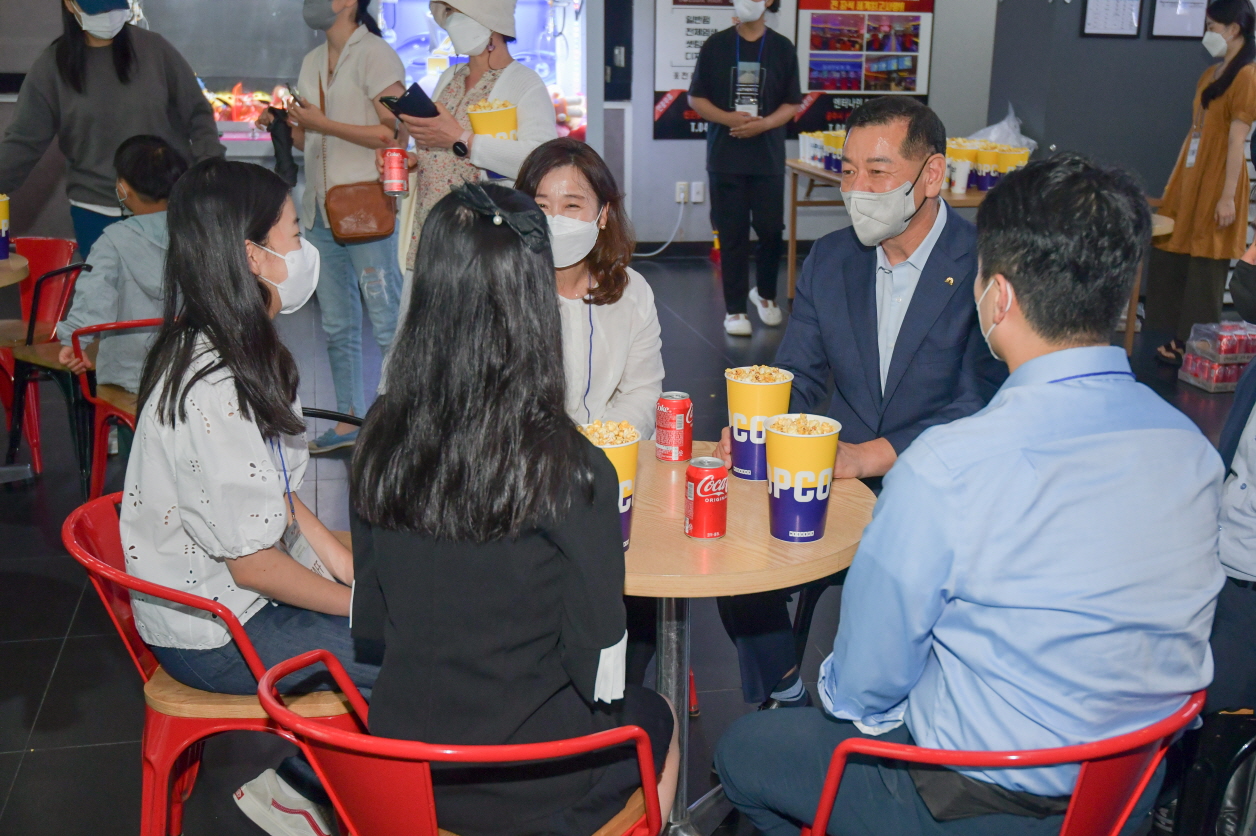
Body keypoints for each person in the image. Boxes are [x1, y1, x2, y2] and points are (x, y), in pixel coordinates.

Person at [714, 152, 1225, 836]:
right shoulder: (1192, 452)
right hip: (1126, 795)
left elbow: (862, 691)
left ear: (999, 297)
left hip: (971, 803)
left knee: (744, 753)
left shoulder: (948, 467)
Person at [349, 183, 679, 836]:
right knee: (657, 713)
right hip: (532, 782)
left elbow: (373, 618)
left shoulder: (379, 431)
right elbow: (599, 659)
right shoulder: (571, 465)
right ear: (533, 300)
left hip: (400, 765)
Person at [710, 96, 1007, 709]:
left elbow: (978, 404)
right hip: (832, 471)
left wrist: (867, 456)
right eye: (848, 171)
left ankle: (883, 709)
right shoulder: (832, 258)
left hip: (935, 485)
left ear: (931, 175)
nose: (857, 190)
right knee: (733, 546)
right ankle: (783, 691)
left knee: (895, 591)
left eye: (877, 172)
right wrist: (756, 427)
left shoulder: (985, 266)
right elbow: (799, 374)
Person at [120, 158, 377, 836]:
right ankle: (303, 793)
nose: (305, 248)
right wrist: (361, 605)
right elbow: (254, 566)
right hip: (216, 631)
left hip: (239, 595)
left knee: (402, 618)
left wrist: (342, 563)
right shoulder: (214, 384)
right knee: (406, 654)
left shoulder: (234, 343)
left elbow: (275, 491)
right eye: (294, 233)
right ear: (252, 256)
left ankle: (317, 788)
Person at [281, 0, 407, 453]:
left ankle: (401, 425)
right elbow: (307, 139)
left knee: (387, 324)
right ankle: (349, 420)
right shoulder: (312, 60)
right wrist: (289, 125)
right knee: (337, 326)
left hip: (366, 210)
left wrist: (323, 123)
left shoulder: (376, 55)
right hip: (319, 212)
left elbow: (392, 131)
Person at [0, 0, 223, 256]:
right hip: (95, 212)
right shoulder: (52, 66)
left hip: (163, 205)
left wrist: (210, 168)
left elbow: (197, 112)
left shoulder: (155, 49)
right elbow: (23, 143)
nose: (108, 16)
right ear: (70, 5)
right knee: (104, 280)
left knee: (170, 279)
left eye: (114, 6)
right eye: (98, 8)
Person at [390, 0, 557, 313]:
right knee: (425, 328)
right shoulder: (450, 77)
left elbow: (541, 159)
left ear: (491, 21)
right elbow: (439, 145)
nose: (451, 21)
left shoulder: (524, 83)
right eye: (449, 13)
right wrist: (413, 160)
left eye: (460, 12)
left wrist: (462, 139)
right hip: (432, 229)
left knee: (473, 326)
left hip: (481, 237)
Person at [515, 138, 665, 435]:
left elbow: (643, 391)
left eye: (571, 205)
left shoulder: (631, 291)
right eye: (541, 205)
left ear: (603, 214)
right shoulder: (500, 289)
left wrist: (600, 444)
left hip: (606, 449)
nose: (554, 220)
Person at [1146, 0, 1256, 365]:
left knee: (1207, 260)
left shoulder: (1247, 76)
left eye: (1212, 27)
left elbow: (1237, 141)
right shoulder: (1210, 74)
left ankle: (1193, 342)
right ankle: (1171, 332)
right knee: (1173, 249)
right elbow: (1194, 132)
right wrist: (1174, 181)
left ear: (1234, 29)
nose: (1207, 34)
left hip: (1219, 178)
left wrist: (1227, 197)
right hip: (1191, 176)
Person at [689, 0, 802, 337]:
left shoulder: (782, 48)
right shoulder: (716, 44)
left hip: (767, 157)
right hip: (725, 157)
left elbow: (792, 102)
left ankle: (765, 295)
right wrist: (729, 119)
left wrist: (763, 124)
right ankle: (735, 309)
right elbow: (696, 98)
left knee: (771, 231)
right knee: (732, 234)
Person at [56, 135, 186, 393]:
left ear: (124, 188)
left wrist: (73, 341)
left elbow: (94, 300)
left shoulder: (113, 240)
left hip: (129, 375)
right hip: (190, 373)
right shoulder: (200, 234)